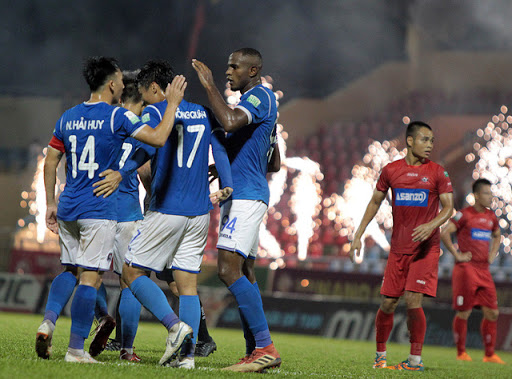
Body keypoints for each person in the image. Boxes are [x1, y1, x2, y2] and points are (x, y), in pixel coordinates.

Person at [36, 56, 188, 363]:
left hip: (70, 206)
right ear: (112, 85)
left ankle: (52, 320)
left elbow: (51, 159)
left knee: (72, 269)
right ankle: (119, 348)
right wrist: (172, 104)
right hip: (113, 210)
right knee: (127, 277)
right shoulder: (122, 120)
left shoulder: (68, 117)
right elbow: (154, 149)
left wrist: (51, 202)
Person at [114, 59, 233, 369]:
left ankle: (173, 326)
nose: (142, 100)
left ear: (155, 88)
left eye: (143, 93)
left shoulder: (156, 112)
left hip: (168, 208)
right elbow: (220, 147)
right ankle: (188, 357)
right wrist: (227, 181)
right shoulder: (202, 113)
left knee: (131, 273)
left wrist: (120, 171)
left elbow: (146, 149)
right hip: (200, 213)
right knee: (187, 285)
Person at [192, 48, 282, 373]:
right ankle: (254, 351)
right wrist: (233, 161)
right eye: (227, 66)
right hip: (247, 193)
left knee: (227, 270)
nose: (228, 71)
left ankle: (266, 347)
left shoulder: (260, 96)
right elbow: (274, 162)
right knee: (243, 272)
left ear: (253, 70)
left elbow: (228, 120)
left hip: (246, 197)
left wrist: (208, 85)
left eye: (234, 67)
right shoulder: (259, 103)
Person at [349, 121, 454, 371]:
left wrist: (431, 226)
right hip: (398, 248)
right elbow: (375, 202)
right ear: (410, 141)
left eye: (431, 140)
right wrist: (359, 233)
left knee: (413, 299)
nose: (430, 145)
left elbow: (448, 207)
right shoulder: (391, 171)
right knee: (388, 303)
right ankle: (380, 356)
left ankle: (415, 361)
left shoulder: (438, 172)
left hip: (426, 249)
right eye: (425, 139)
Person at [440, 178, 505, 364]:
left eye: (491, 193)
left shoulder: (491, 217)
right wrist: (456, 255)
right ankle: (461, 352)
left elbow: (497, 235)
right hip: (466, 269)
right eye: (486, 193)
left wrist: (493, 254)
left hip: (483, 270)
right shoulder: (464, 215)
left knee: (493, 312)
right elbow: (445, 232)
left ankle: (489, 354)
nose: (490, 196)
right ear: (476, 195)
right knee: (464, 312)